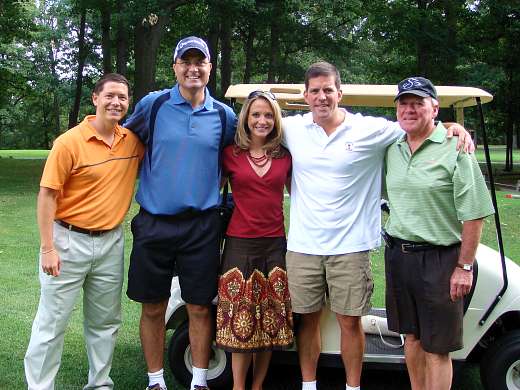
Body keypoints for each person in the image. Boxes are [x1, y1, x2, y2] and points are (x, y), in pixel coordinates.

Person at [281, 62, 474, 390]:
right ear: (306, 95)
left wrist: (452, 126)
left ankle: (352, 387)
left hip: (352, 247)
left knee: (349, 323)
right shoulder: (292, 129)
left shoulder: (370, 129)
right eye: (315, 91)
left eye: (328, 89)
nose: (322, 96)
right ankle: (308, 385)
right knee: (307, 322)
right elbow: (255, 126)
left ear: (340, 93)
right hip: (304, 246)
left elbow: (420, 125)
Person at [123, 36, 236, 390]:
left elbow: (238, 159)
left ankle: (199, 381)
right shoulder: (153, 106)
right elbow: (122, 139)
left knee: (200, 306)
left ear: (209, 68)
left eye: (199, 62)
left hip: (201, 225)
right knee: (153, 306)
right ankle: (155, 381)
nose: (192, 68)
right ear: (174, 67)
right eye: (185, 62)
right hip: (155, 222)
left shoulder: (224, 115)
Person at [24, 73, 143, 390]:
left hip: (110, 243)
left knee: (105, 324)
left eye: (122, 97)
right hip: (66, 241)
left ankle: (100, 384)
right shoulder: (69, 143)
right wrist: (47, 247)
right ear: (95, 99)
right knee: (51, 323)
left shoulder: (132, 143)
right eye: (110, 96)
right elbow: (47, 195)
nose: (116, 102)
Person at [383, 76, 494, 390]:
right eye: (404, 103)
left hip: (441, 261)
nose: (409, 109)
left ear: (434, 108)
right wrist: (450, 123)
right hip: (399, 258)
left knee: (437, 347)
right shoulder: (392, 148)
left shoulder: (455, 147)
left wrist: (464, 266)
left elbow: (474, 213)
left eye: (418, 103)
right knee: (412, 338)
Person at [215, 90, 294, 390]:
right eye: (256, 114)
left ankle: (258, 385)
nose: (262, 120)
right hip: (239, 244)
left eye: (268, 115)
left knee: (269, 322)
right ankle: (238, 385)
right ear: (246, 118)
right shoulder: (230, 154)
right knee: (240, 318)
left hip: (275, 244)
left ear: (275, 120)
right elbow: (211, 189)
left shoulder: (285, 156)